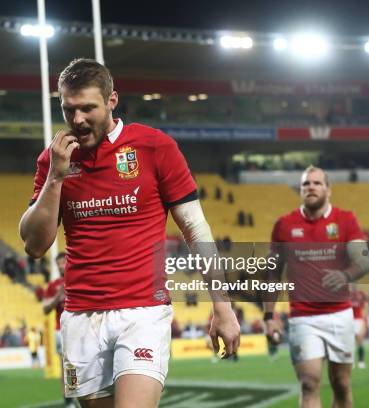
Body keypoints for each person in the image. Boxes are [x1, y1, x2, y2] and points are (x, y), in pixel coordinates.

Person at [19, 58, 239, 407]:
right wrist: (55, 178)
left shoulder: (154, 147)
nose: (77, 120)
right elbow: (34, 244)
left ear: (111, 101)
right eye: (68, 109)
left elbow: (195, 229)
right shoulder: (53, 160)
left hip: (142, 312)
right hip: (81, 316)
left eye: (87, 108)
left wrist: (222, 307)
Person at [264, 166, 369, 408]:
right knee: (309, 383)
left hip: (340, 315)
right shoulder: (284, 225)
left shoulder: (346, 219)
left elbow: (364, 261)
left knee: (342, 384)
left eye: (316, 183)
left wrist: (345, 274)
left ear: (328, 189)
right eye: (305, 184)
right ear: (301, 190)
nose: (310, 187)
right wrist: (269, 316)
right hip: (303, 318)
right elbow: (273, 273)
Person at [42, 252, 73, 408]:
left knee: (83, 363)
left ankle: (85, 394)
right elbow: (45, 309)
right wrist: (58, 297)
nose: (62, 265)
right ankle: (69, 398)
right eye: (59, 263)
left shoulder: (77, 280)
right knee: (67, 365)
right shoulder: (53, 286)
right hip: (61, 329)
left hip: (79, 328)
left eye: (64, 262)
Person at [350, 285, 368, 369]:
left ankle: (361, 361)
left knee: (360, 341)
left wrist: (364, 321)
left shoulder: (361, 294)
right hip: (349, 320)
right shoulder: (347, 295)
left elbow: (365, 308)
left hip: (358, 320)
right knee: (350, 343)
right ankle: (351, 362)